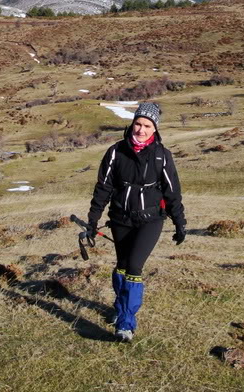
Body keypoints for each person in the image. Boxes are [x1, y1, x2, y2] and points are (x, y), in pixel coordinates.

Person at [87, 101, 186, 342]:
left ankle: (126, 324)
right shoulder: (115, 151)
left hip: (150, 220)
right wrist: (93, 220)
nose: (141, 130)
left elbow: (172, 191)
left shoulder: (162, 156)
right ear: (132, 124)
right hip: (120, 218)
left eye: (147, 125)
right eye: (138, 124)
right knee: (121, 265)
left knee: (133, 267)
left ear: (155, 129)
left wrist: (179, 222)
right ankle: (121, 309)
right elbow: (103, 188)